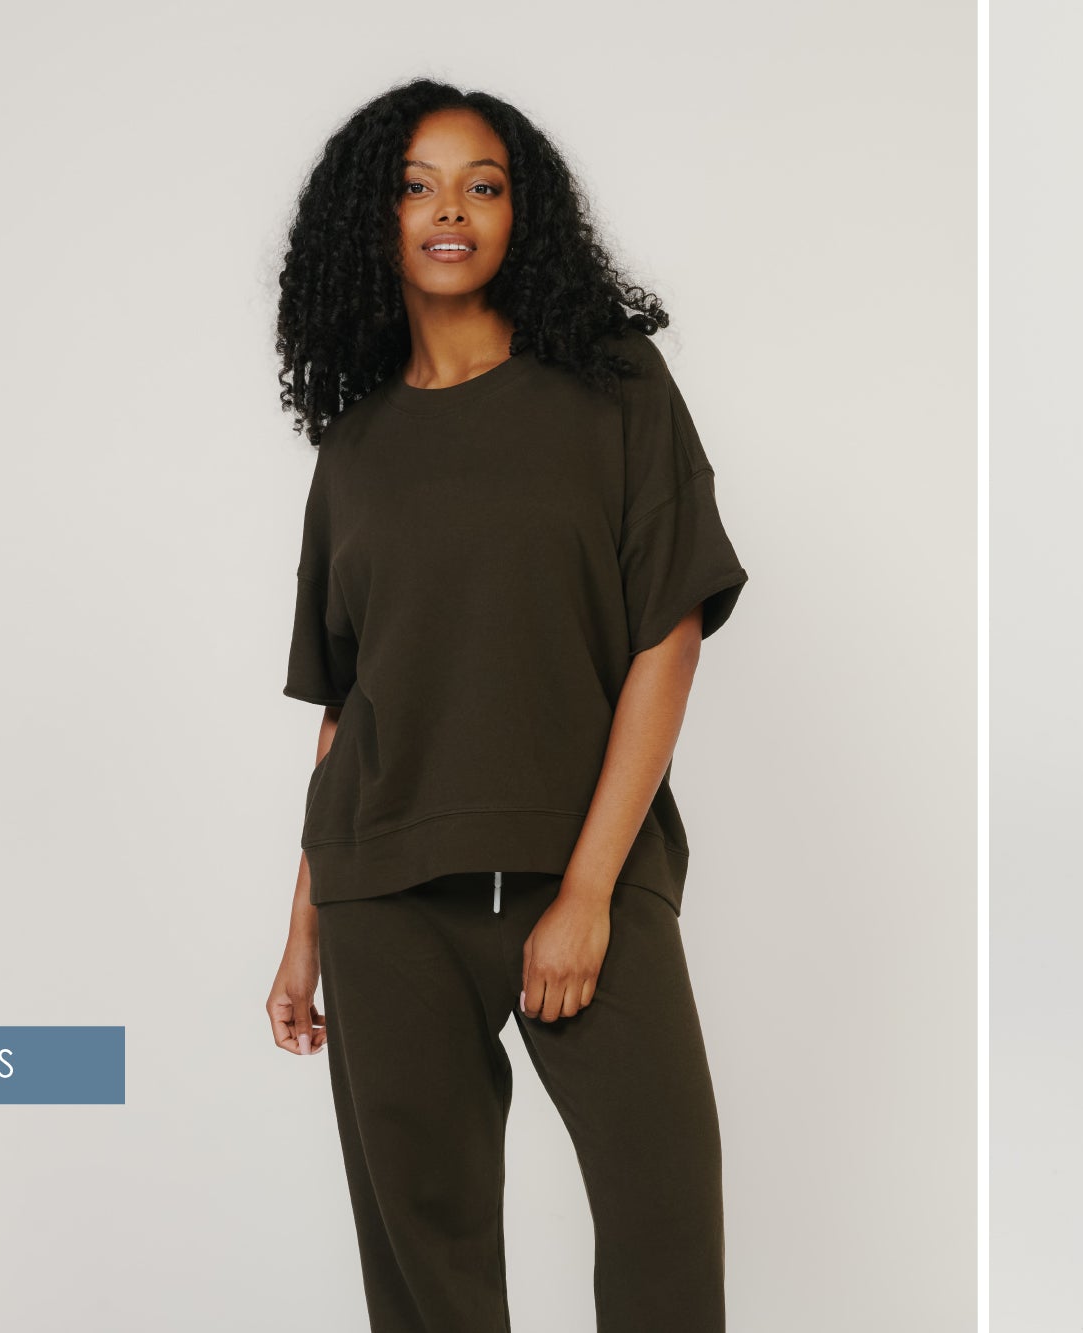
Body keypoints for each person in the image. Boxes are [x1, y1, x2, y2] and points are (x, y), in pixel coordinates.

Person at [257, 78, 747, 1333]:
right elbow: (347, 702)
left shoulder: (614, 389)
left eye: (483, 183)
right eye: (417, 186)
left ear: (525, 213)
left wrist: (587, 892)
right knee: (427, 1273)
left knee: (665, 1230)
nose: (451, 211)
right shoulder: (355, 444)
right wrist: (304, 925)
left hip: (581, 864)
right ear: (375, 221)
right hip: (383, 885)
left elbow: (668, 633)